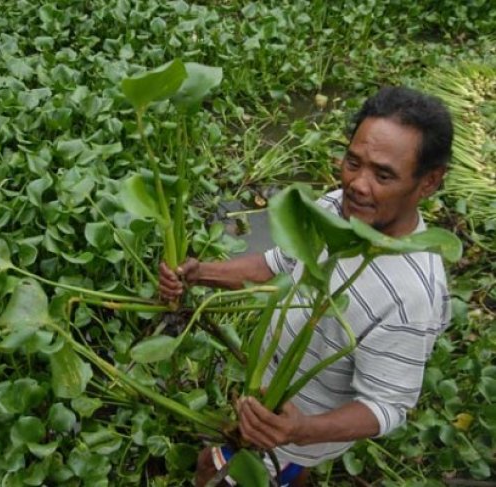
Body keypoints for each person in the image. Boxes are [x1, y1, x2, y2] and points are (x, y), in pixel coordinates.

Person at [158, 86, 454, 486]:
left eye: (383, 174)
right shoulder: (338, 208)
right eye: (353, 162)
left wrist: (298, 431)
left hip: (299, 428)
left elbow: (386, 407)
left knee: (210, 471)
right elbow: (277, 265)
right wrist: (199, 272)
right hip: (267, 406)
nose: (358, 185)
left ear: (429, 182)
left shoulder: (412, 295)